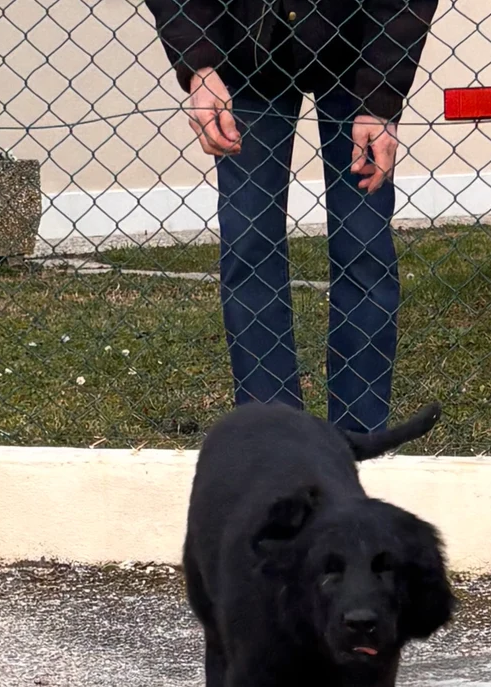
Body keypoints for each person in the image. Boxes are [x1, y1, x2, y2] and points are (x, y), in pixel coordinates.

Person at [145, 0, 437, 432]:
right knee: (248, 246)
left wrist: (381, 97)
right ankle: (273, 438)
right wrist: (199, 66)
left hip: (359, 52)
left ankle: (359, 441)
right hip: (243, 53)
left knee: (363, 246)